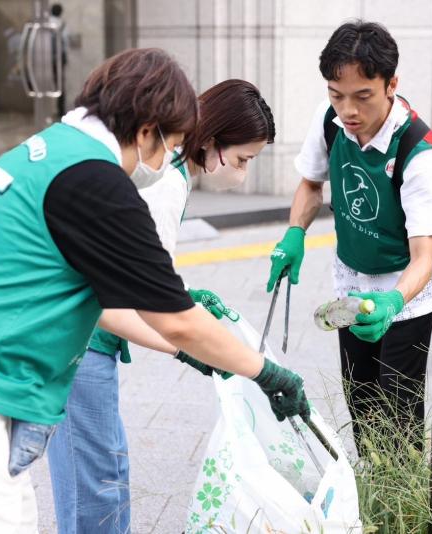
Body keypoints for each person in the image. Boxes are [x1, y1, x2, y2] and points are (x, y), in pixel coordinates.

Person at [0, 49, 308, 534]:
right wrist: (267, 373)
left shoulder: (56, 147)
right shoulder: (95, 179)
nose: (169, 160)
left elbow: (113, 300)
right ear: (145, 131)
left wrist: (199, 349)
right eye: (172, 143)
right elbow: (175, 318)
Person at [46, 79, 275, 534]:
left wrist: (182, 296)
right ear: (212, 142)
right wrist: (188, 346)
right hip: (78, 343)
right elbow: (125, 299)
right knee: (98, 494)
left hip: (77, 339)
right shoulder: (168, 182)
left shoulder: (168, 172)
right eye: (245, 159)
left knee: (99, 480)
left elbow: (136, 272)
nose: (244, 173)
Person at [267, 21, 432, 454]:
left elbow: (425, 257)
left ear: (390, 85)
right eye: (336, 94)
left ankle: (401, 504)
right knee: (360, 398)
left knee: (398, 409)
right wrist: (294, 233)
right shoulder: (329, 121)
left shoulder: (418, 153)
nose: (348, 110)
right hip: (351, 279)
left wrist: (394, 302)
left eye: (362, 95)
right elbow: (311, 184)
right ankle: (370, 495)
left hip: (405, 292)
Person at [49, 3, 68, 118]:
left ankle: (48, 109)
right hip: (58, 59)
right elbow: (65, 42)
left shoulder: (44, 23)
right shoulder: (62, 24)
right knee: (60, 84)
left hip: (44, 59)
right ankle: (60, 110)